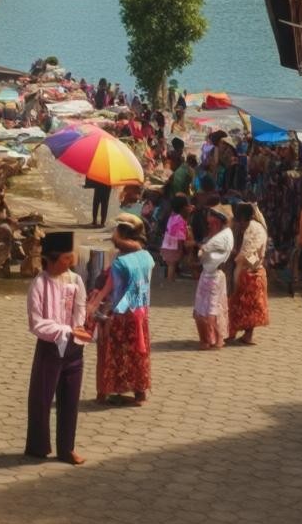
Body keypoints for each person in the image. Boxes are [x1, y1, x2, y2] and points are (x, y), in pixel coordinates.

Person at [26, 230, 91, 464]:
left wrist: (79, 327)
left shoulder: (75, 281)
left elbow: (80, 308)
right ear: (51, 259)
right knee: (41, 399)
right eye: (65, 258)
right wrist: (66, 331)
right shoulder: (39, 284)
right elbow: (36, 323)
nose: (69, 263)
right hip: (49, 347)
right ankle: (38, 446)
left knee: (70, 400)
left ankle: (67, 449)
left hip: (74, 349)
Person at [90, 213, 154, 405]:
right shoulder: (147, 257)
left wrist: (93, 305)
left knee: (112, 352)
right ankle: (139, 393)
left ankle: (105, 392)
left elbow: (108, 289)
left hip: (120, 313)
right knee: (137, 352)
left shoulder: (120, 263)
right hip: (140, 313)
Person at [225, 201, 270, 346]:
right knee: (238, 305)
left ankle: (246, 335)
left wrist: (235, 256)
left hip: (251, 273)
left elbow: (247, 253)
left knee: (248, 307)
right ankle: (232, 333)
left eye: (239, 221)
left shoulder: (255, 230)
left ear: (244, 219)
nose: (238, 224)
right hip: (246, 271)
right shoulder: (246, 228)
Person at [193, 206, 234, 349]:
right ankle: (216, 338)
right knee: (214, 306)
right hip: (213, 274)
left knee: (208, 308)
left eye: (210, 222)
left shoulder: (222, 237)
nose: (208, 224)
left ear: (216, 221)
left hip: (212, 276)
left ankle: (208, 340)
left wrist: (200, 250)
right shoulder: (224, 234)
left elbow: (204, 251)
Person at [159, 195, 191, 280]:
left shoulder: (172, 216)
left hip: (167, 243)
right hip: (174, 245)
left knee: (170, 263)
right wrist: (182, 245)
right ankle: (170, 279)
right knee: (172, 264)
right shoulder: (180, 219)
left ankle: (170, 277)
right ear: (183, 207)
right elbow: (180, 236)